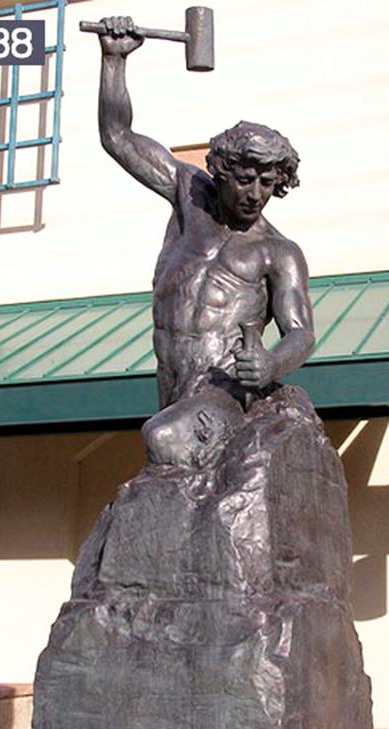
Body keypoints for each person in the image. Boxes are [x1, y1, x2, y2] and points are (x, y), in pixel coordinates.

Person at [97, 17, 315, 464]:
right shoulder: (188, 194)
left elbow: (300, 332)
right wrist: (114, 61)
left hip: (225, 391)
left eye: (268, 183)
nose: (256, 194)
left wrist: (273, 364)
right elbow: (117, 137)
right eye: (245, 179)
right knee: (167, 456)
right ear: (221, 171)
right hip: (173, 381)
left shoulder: (279, 253)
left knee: (162, 439)